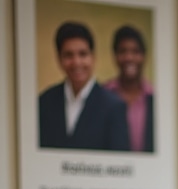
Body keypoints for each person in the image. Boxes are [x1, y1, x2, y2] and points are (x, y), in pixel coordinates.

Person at [37, 21, 129, 151]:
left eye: (83, 54)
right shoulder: (44, 102)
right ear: (59, 59)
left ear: (93, 57)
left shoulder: (114, 107)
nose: (76, 62)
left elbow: (121, 162)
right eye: (68, 55)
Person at [103, 24, 154, 153]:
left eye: (135, 52)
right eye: (122, 51)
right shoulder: (102, 95)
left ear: (144, 56)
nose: (129, 57)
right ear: (115, 56)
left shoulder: (155, 97)